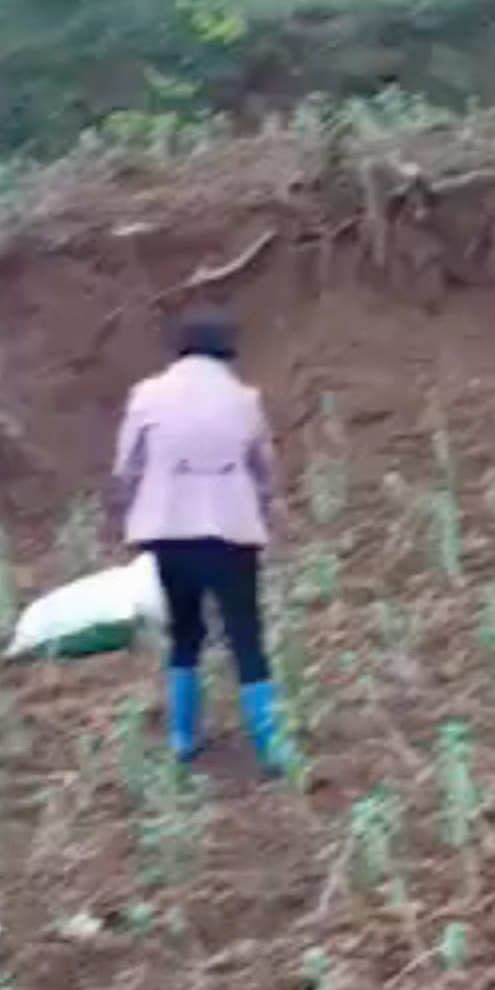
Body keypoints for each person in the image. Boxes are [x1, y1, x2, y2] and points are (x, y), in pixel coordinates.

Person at [110, 312, 285, 772]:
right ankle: (272, 749)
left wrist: (134, 512)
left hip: (166, 533)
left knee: (184, 635)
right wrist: (259, 512)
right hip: (231, 534)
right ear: (227, 352)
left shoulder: (146, 395)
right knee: (246, 637)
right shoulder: (244, 400)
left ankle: (182, 739)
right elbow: (263, 470)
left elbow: (127, 466)